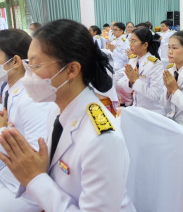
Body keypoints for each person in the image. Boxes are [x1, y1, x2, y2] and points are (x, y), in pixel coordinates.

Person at [0, 19, 135, 212]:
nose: (28, 76)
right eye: (28, 65)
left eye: (36, 67)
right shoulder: (57, 107)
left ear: (72, 69)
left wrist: (35, 179)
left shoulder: (102, 138)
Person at [0, 29, 54, 212]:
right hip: (7, 173)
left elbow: (36, 154)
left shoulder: (31, 99)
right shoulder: (9, 89)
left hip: (23, 188)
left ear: (15, 61)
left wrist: (2, 131)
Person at [116, 27, 164, 115]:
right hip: (136, 109)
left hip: (152, 112)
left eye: (134, 41)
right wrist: (130, 82)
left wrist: (135, 80)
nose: (130, 44)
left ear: (145, 45)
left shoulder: (155, 64)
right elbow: (125, 88)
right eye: (130, 40)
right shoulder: (133, 60)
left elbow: (155, 95)